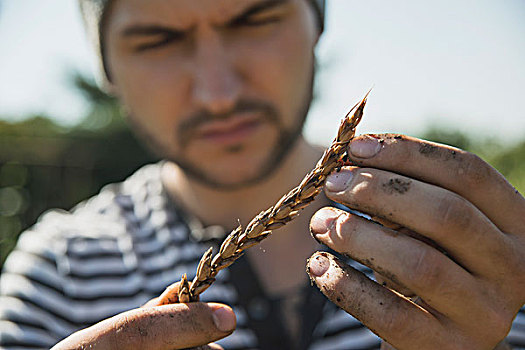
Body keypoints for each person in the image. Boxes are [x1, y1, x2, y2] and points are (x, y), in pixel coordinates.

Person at [1, 0, 524, 349]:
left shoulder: (470, 249)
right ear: (107, 69)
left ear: (316, 22)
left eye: (253, 21)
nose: (219, 92)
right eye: (157, 40)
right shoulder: (60, 272)